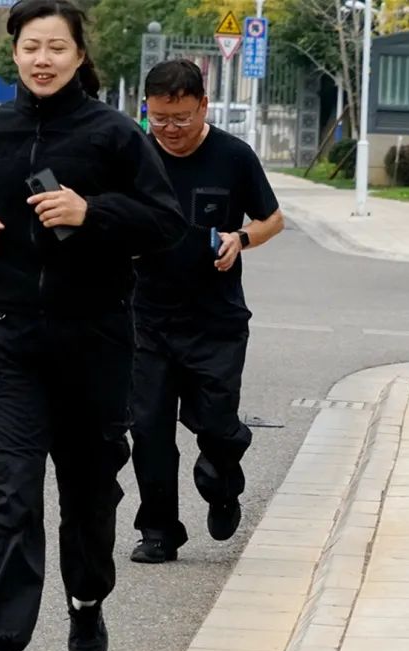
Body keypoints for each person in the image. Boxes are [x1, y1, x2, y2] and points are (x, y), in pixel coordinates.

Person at [0, 0, 186, 651]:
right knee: (13, 493)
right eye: (30, 47)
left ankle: (86, 598)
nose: (42, 59)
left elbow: (165, 221)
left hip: (94, 341)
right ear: (13, 54)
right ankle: (0, 648)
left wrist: (90, 212)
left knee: (88, 494)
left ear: (79, 56)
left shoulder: (112, 136)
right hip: (6, 337)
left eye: (56, 47)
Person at [129, 59, 285, 564]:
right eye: (159, 119)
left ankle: (221, 481)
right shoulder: (134, 155)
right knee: (148, 428)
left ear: (203, 107)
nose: (170, 131)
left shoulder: (233, 157)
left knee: (216, 424)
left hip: (215, 320)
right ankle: (159, 529)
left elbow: (272, 219)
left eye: (181, 119)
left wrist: (241, 238)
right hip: (145, 318)